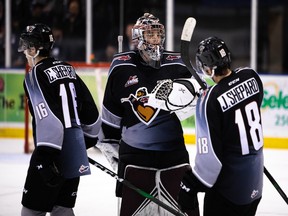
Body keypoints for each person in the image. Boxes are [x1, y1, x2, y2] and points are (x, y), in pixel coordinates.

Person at [96, 13, 202, 216]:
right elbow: (111, 115)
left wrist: (186, 95)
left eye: (157, 35)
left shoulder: (178, 64)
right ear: (137, 37)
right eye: (150, 34)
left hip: (173, 154)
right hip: (135, 157)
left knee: (185, 209)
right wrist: (110, 147)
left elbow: (199, 98)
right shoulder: (121, 67)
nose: (155, 40)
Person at [154, 36, 264, 215]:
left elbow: (210, 163)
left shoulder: (210, 99)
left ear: (209, 68)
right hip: (254, 184)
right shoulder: (251, 76)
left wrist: (190, 185)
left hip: (229, 192)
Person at [18, 23, 101, 216]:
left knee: (31, 211)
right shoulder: (68, 69)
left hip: (50, 151)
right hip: (73, 149)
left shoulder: (34, 75)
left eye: (26, 46)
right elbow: (92, 114)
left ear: (34, 48)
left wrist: (44, 159)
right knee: (62, 208)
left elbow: (48, 117)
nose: (23, 51)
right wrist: (82, 144)